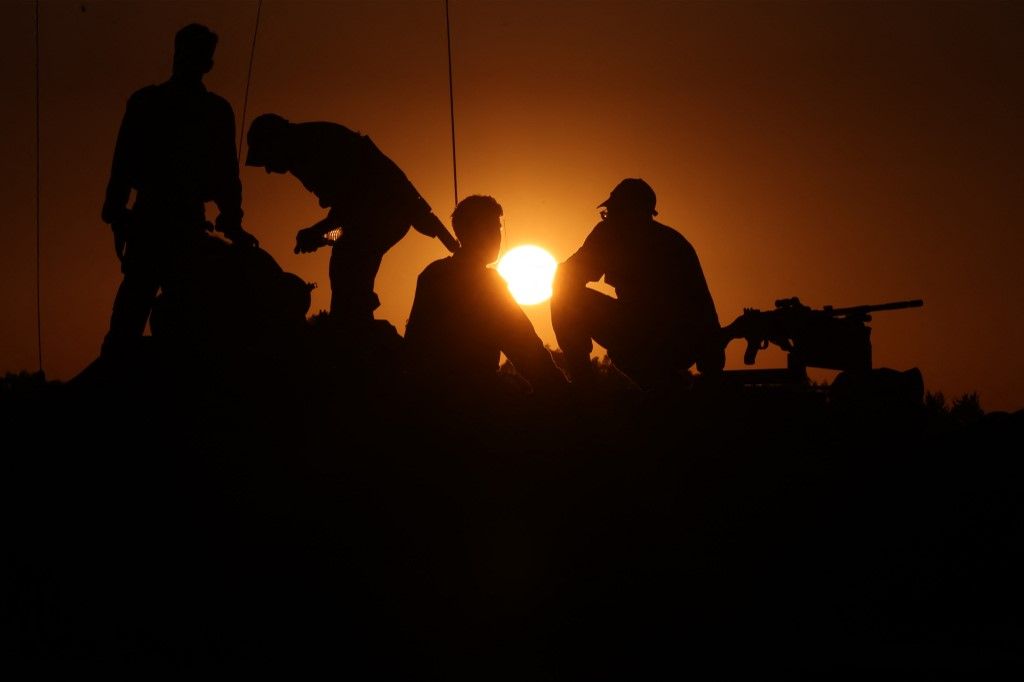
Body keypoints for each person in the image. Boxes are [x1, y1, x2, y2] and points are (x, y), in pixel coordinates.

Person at [100, 23, 258, 356]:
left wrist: (116, 209)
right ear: (207, 64)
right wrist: (232, 221)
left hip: (162, 222)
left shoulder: (152, 103)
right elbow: (226, 176)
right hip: (166, 223)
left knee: (163, 314)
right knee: (151, 315)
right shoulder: (210, 110)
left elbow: (124, 162)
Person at [244, 113, 459, 327]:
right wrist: (321, 236)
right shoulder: (307, 146)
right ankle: (354, 317)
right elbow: (345, 219)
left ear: (276, 143)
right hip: (375, 215)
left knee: (348, 264)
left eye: (267, 159)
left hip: (386, 212)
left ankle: (354, 324)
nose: (269, 169)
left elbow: (349, 214)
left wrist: (319, 234)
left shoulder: (313, 147)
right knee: (346, 263)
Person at [551, 178, 724, 390]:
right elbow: (705, 308)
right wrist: (713, 364)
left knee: (564, 298)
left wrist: (712, 366)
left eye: (612, 213)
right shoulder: (674, 242)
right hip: (665, 340)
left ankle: (585, 389)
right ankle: (668, 391)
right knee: (622, 352)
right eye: (607, 214)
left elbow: (566, 279)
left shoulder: (658, 244)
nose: (608, 219)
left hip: (665, 338)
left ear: (632, 213)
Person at [404, 195, 567, 394]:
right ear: (471, 231)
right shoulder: (488, 283)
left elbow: (413, 346)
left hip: (426, 392)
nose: (497, 235)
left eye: (497, 228)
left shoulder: (432, 274)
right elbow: (525, 347)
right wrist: (563, 393)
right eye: (491, 227)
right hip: (474, 394)